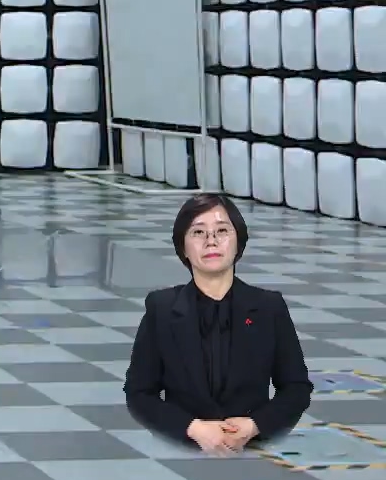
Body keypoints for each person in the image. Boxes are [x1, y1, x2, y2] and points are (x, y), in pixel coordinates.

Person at [123, 193, 312, 455]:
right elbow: (139, 393)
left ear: (238, 242)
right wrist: (192, 428)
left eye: (222, 231)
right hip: (180, 452)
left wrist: (254, 425)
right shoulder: (161, 309)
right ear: (183, 247)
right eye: (198, 232)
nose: (211, 241)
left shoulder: (269, 307)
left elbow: (296, 389)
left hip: (254, 454)